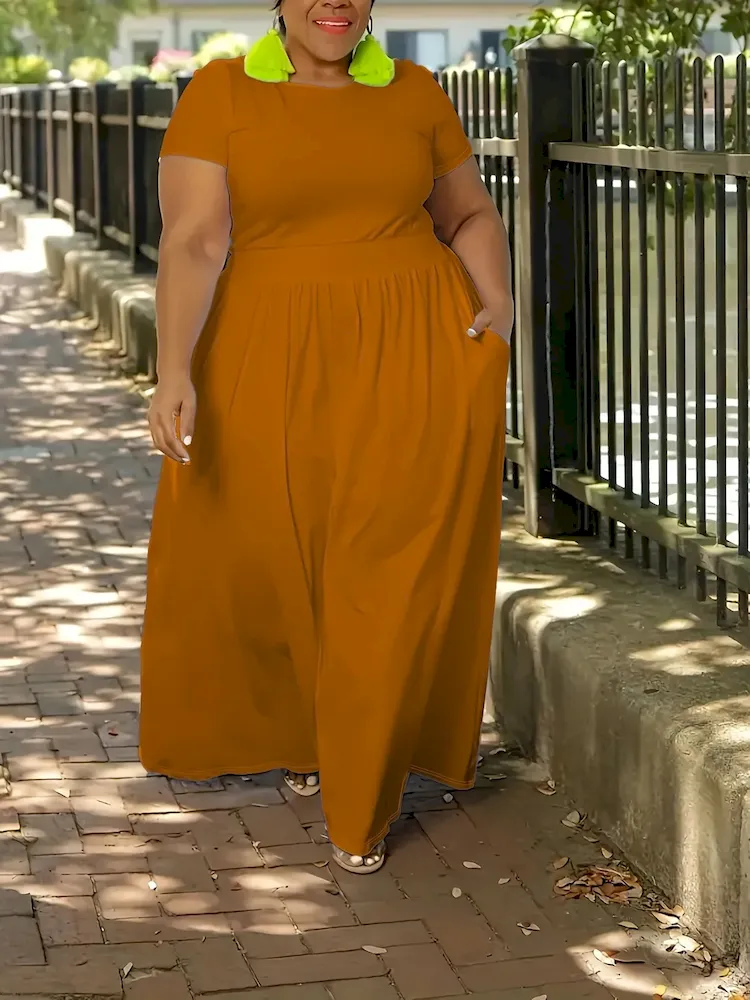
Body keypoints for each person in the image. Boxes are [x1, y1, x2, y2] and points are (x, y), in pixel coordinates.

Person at [140, 0, 513, 875]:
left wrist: (497, 302)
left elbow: (467, 214)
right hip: (266, 353)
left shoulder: (416, 91)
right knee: (279, 557)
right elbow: (194, 240)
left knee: (385, 569)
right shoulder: (221, 93)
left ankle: (362, 799)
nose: (335, 2)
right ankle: (308, 738)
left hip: (416, 352)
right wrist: (174, 370)